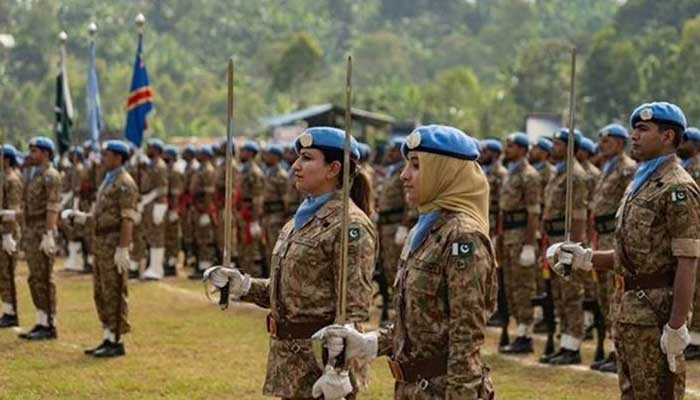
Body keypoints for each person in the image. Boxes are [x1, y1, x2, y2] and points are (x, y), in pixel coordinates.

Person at [314, 125, 497, 399]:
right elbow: (416, 320)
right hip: (413, 388)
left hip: (444, 390)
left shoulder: (462, 237)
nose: (404, 176)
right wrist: (370, 343)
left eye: (416, 166)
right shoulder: (425, 231)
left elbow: (465, 338)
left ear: (443, 172)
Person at [204, 127, 376, 399]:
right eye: (298, 158)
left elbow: (353, 308)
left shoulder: (349, 225)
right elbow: (291, 288)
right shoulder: (302, 218)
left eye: (307, 158)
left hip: (322, 366)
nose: (296, 165)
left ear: (333, 168)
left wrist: (338, 371)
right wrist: (244, 286)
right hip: (292, 361)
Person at [552, 102, 697, 399]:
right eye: (634, 130)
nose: (635, 136)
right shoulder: (640, 184)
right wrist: (587, 258)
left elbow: (687, 261)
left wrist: (676, 325)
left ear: (668, 136)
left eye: (643, 129)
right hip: (628, 310)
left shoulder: (677, 187)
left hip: (656, 315)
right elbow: (629, 255)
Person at [70, 140, 138, 357]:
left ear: (118, 157)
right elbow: (101, 216)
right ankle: (107, 336)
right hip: (101, 243)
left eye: (107, 155)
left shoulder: (125, 182)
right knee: (101, 291)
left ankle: (116, 340)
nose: (103, 158)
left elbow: (127, 219)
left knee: (114, 291)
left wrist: (123, 249)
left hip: (113, 242)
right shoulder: (108, 180)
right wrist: (83, 218)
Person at [589, 123, 636, 373]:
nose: (601, 144)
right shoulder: (606, 168)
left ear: (619, 143)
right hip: (601, 235)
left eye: (606, 141)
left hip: (614, 236)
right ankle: (612, 349)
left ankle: (620, 352)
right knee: (604, 296)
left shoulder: (627, 169)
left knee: (616, 295)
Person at [539, 128, 589, 365]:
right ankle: (564, 342)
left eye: (558, 144)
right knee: (559, 294)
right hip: (554, 238)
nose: (554, 147)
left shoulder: (575, 175)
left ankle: (573, 345)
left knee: (571, 294)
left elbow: (579, 214)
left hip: (567, 239)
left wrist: (575, 247)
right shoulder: (558, 172)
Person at [498, 132, 541, 354]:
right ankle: (519, 329)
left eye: (512, 145)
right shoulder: (510, 173)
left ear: (523, 150)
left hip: (521, 234)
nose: (508, 148)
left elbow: (534, 212)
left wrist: (529, 244)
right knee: (510, 285)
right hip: (508, 235)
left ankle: (526, 333)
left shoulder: (529, 175)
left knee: (523, 286)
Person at [19, 136, 61, 340]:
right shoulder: (34, 174)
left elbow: (52, 206)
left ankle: (50, 323)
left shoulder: (50, 175)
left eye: (35, 151)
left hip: (42, 230)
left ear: (45, 153)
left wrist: (49, 233)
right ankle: (41, 319)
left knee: (44, 277)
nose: (31, 154)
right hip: (31, 229)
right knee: (35, 277)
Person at [677, 127, 700, 361]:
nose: (680, 144)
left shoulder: (696, 168)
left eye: (685, 141)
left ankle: (696, 339)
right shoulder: (682, 168)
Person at [0, 145, 24, 328]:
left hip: (9, 231)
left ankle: (11, 312)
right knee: (3, 272)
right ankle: (7, 308)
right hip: (3, 230)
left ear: (7, 158)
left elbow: (13, 210)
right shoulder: (5, 178)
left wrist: (8, 234)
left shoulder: (12, 180)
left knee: (7, 271)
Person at [140, 139, 169, 280]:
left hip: (157, 204)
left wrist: (160, 206)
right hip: (149, 203)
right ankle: (153, 267)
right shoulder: (151, 165)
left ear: (156, 150)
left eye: (149, 147)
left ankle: (157, 269)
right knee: (151, 236)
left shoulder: (160, 165)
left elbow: (162, 188)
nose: (147, 149)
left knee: (157, 236)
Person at [237, 141, 265, 277]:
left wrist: (255, 221)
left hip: (249, 214)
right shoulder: (244, 169)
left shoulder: (254, 172)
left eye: (243, 150)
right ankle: (243, 280)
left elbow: (257, 198)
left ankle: (251, 280)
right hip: (242, 212)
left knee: (251, 249)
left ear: (250, 153)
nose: (240, 153)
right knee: (243, 248)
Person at [261, 144, 288, 266]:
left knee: (275, 247)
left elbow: (286, 198)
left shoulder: (281, 175)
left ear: (276, 157)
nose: (266, 157)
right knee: (267, 247)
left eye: (269, 155)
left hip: (277, 216)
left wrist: (285, 219)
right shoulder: (268, 173)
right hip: (267, 215)